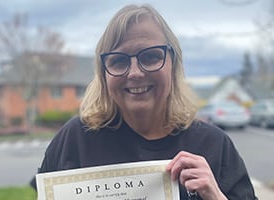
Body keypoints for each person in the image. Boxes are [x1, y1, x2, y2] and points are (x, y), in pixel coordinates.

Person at [31, 4, 257, 200]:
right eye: (119, 61)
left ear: (173, 64)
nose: (135, 73)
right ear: (104, 74)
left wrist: (215, 195)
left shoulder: (213, 145)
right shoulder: (75, 140)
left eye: (150, 57)